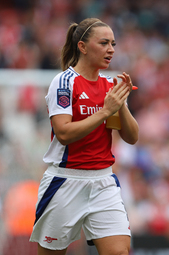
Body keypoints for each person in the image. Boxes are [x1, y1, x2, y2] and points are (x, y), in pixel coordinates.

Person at [29, 18, 139, 255]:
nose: (111, 49)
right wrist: (105, 110)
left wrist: (121, 103)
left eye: (113, 43)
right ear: (82, 46)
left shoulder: (110, 85)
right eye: (104, 42)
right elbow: (64, 133)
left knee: (120, 252)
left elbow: (132, 137)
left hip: (103, 182)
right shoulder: (64, 82)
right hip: (65, 181)